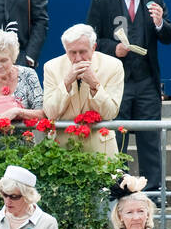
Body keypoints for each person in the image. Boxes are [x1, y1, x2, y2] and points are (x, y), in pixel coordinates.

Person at [87, 0, 171, 191]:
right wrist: (114, 49)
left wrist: (160, 24)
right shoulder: (102, 2)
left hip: (146, 80)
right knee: (117, 136)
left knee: (150, 136)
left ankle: (153, 189)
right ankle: (119, 188)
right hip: (117, 82)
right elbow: (91, 39)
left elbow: (169, 37)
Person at [40, 23, 123, 156]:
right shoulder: (51, 67)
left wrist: (94, 84)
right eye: (72, 52)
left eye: (83, 52)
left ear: (94, 47)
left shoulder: (114, 65)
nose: (78, 58)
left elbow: (110, 113)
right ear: (65, 49)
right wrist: (66, 82)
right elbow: (50, 113)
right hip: (62, 150)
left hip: (101, 151)